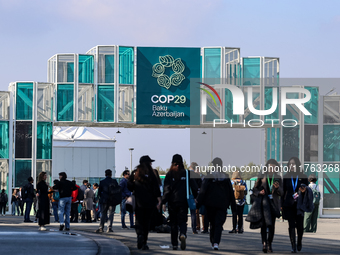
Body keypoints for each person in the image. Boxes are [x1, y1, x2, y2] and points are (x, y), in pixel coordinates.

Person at [197, 157, 235, 251]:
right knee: (218, 224)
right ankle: (216, 243)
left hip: (210, 204)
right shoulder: (225, 177)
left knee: (212, 223)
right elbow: (230, 192)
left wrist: (198, 203)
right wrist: (233, 206)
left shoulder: (209, 177)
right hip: (222, 204)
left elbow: (203, 190)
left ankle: (213, 241)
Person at [162, 154, 198, 251]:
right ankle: (183, 234)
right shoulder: (187, 173)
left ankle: (174, 244)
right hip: (183, 201)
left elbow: (167, 190)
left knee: (173, 223)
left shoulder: (169, 174)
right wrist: (196, 197)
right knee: (182, 221)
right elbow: (194, 187)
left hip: (172, 202)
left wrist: (163, 202)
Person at [247, 159, 283, 253]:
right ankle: (264, 243)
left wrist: (278, 188)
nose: (272, 169)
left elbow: (282, 193)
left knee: (271, 225)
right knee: (263, 224)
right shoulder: (261, 176)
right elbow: (254, 189)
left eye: (274, 167)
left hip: (273, 204)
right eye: (270, 167)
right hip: (263, 203)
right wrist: (259, 192)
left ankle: (269, 243)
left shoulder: (278, 178)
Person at [128, 155, 162, 250]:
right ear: (147, 163)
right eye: (150, 162)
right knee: (146, 222)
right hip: (150, 202)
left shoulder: (135, 173)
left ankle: (139, 235)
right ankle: (144, 242)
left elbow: (129, 186)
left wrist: (134, 184)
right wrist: (159, 200)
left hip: (138, 201)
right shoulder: (151, 174)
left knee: (138, 220)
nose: (151, 163)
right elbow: (156, 188)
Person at [282, 157, 309, 253]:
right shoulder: (286, 176)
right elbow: (283, 191)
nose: (291, 166)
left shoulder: (303, 176)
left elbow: (307, 190)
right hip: (289, 205)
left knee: (300, 226)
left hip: (300, 205)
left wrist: (304, 190)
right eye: (290, 164)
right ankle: (293, 245)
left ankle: (299, 242)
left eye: (293, 164)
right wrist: (281, 205)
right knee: (291, 225)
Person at [95, 169, 119, 233]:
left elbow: (99, 192)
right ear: (111, 174)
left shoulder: (102, 182)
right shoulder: (114, 181)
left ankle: (101, 228)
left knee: (103, 214)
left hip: (104, 200)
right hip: (112, 200)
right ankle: (109, 228)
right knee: (111, 214)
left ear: (105, 174)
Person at [188, 162, 200, 234]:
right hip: (193, 196)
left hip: (186, 195)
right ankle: (194, 229)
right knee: (193, 213)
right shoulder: (196, 175)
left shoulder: (186, 174)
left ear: (190, 166)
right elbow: (198, 186)